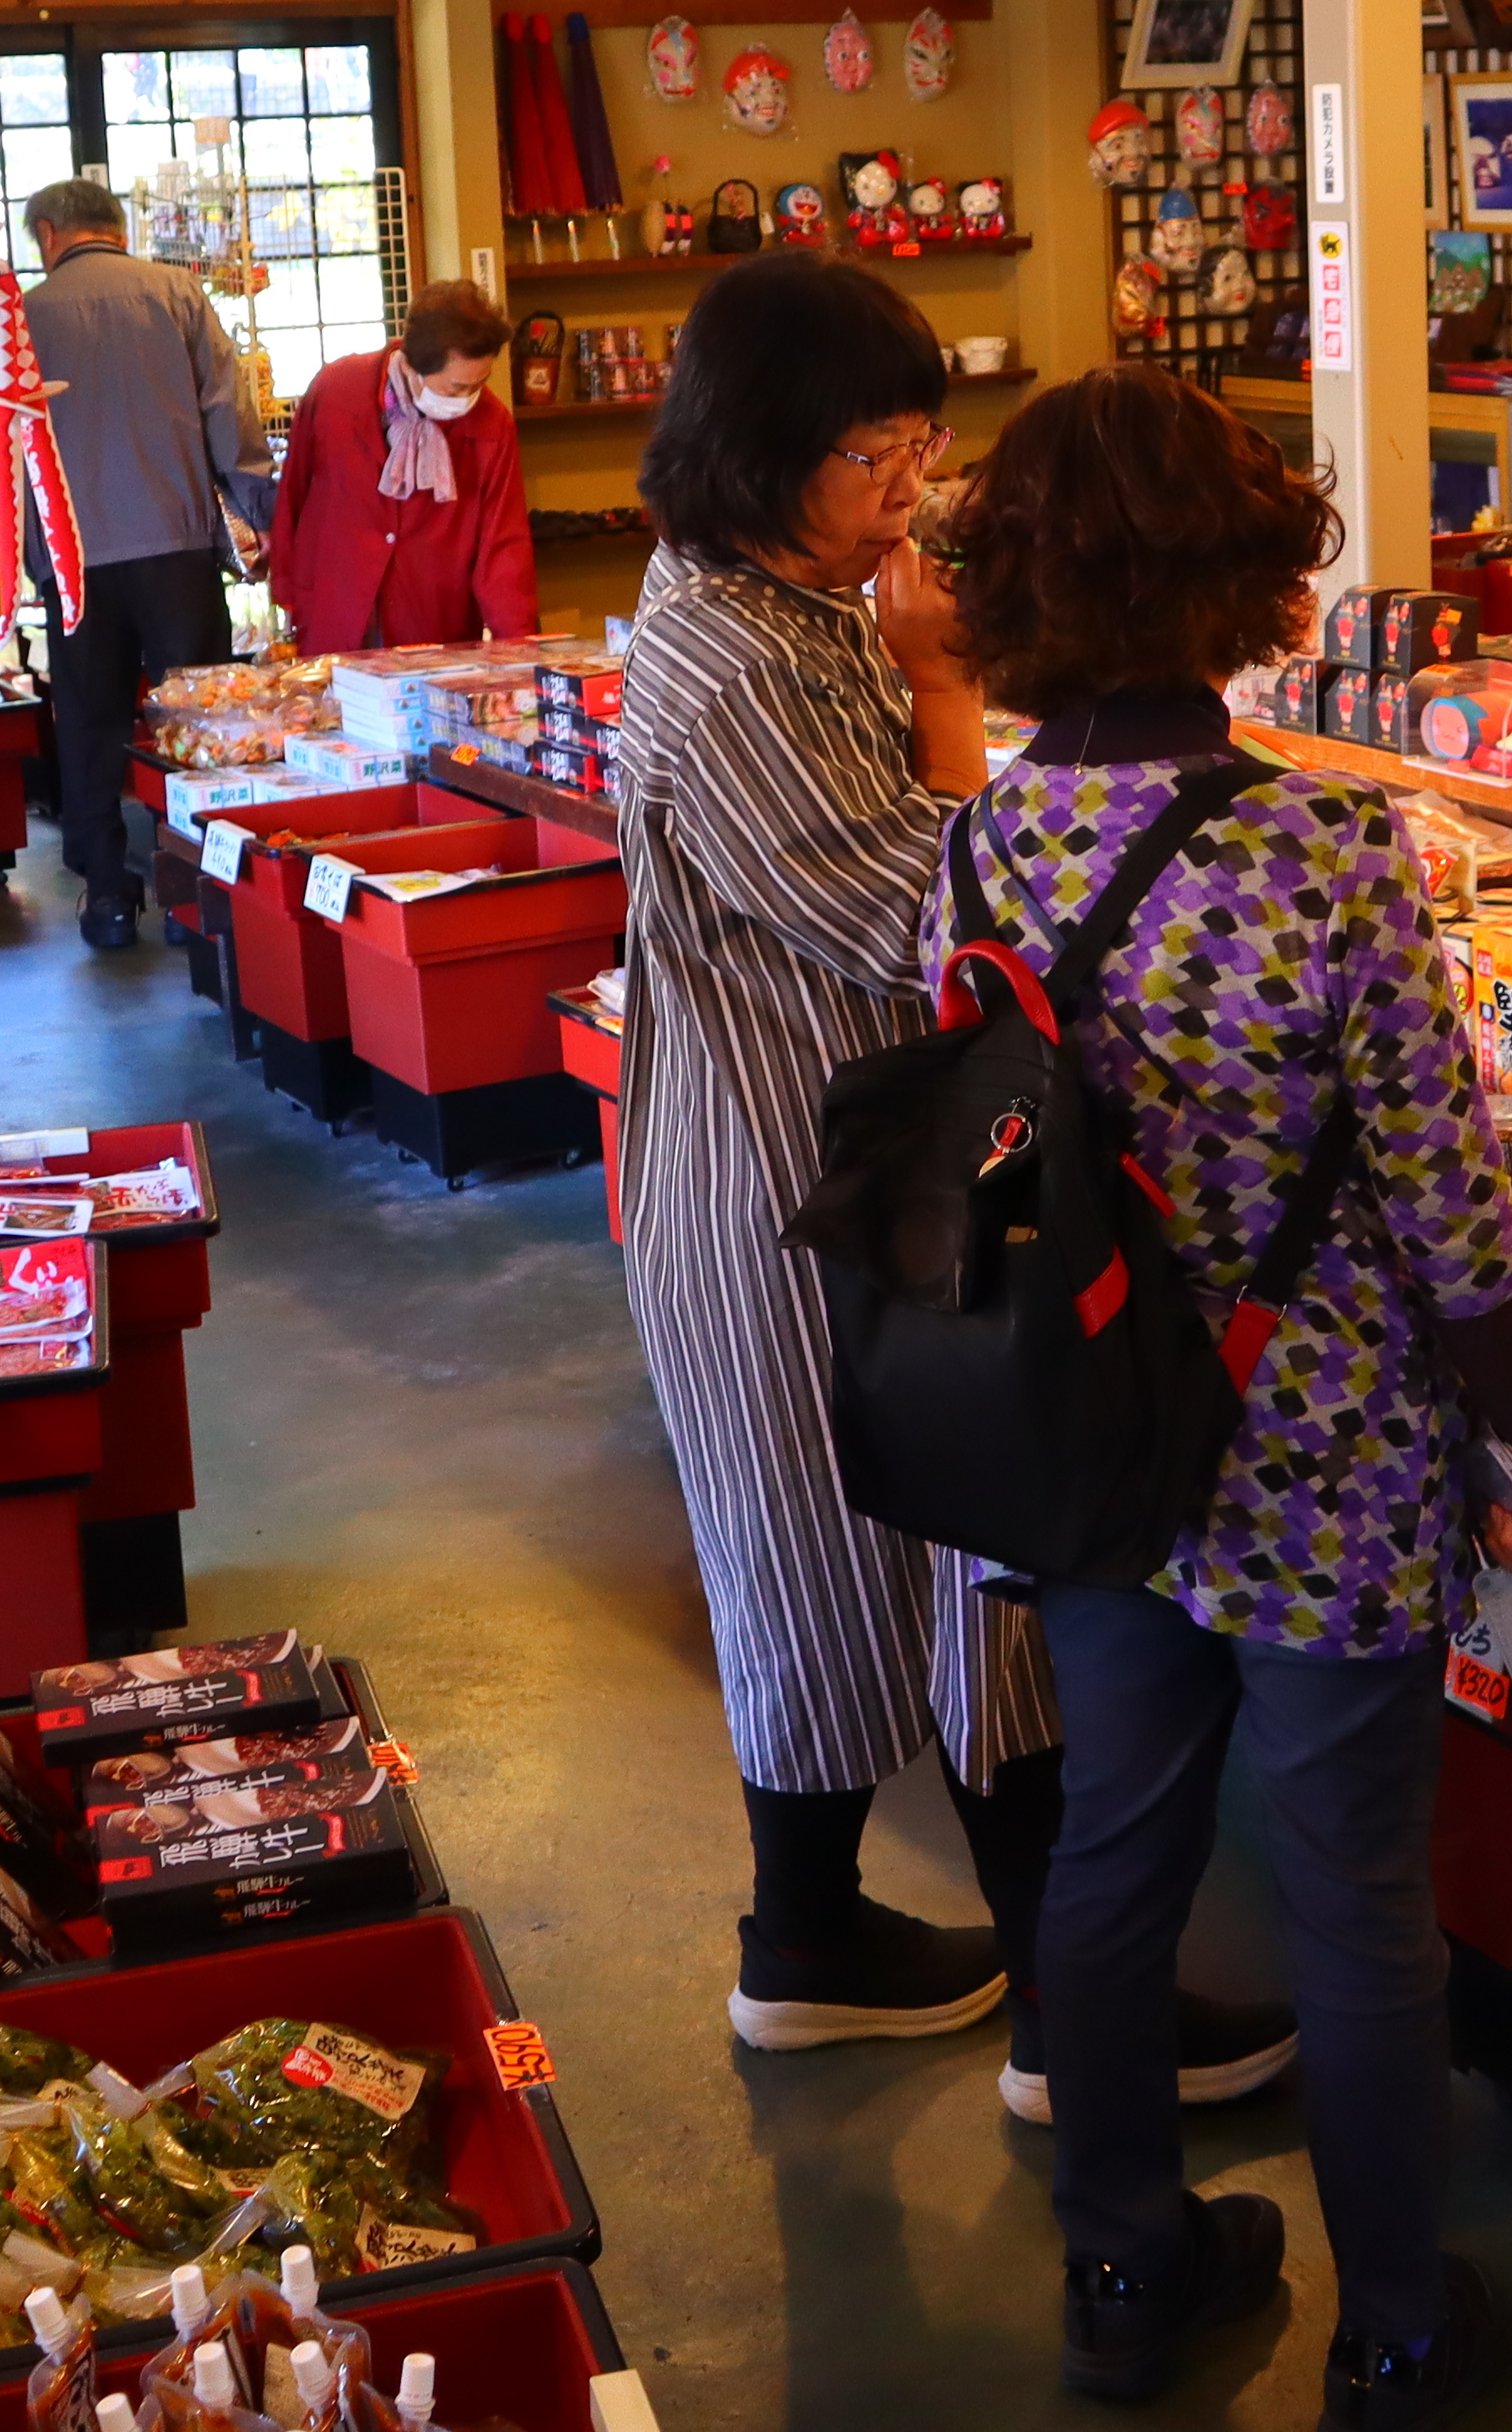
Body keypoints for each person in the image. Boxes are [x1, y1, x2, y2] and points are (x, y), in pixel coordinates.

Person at [938, 368, 1512, 2429]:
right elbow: (1440, 1174)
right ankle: (1397, 2327)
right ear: (1242, 578)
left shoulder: (985, 838)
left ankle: (1127, 2262)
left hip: (1099, 1429)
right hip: (1327, 1446)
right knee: (1354, 1889)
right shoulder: (1327, 844)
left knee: (1115, 1846)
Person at [608, 256, 1286, 2099]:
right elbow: (935, 913)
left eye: (924, 448)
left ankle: (816, 1941)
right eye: (877, 456)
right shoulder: (743, 656)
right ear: (763, 452)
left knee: (843, 1565)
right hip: (816, 1192)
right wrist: (946, 687)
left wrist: (917, 665)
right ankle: (1079, 2021)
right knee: (956, 1572)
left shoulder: (754, 589)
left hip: (839, 1173)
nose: (910, 493)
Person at [22, 177, 266, 949]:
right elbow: (230, 411)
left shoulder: (22, 315)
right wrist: (257, 515)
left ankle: (107, 894)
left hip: (74, 561)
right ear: (118, 228)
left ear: (48, 234)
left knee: (90, 724)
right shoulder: (179, 293)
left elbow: (0, 446)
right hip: (175, 548)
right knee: (198, 717)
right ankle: (201, 888)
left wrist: (26, 559)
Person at [271, 282, 537, 657]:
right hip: (336, 604)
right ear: (412, 366)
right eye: (456, 388)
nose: (468, 400)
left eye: (479, 385)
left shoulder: (491, 426)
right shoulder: (337, 390)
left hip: (433, 624)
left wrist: (521, 653)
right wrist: (286, 591)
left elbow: (504, 547)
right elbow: (293, 492)